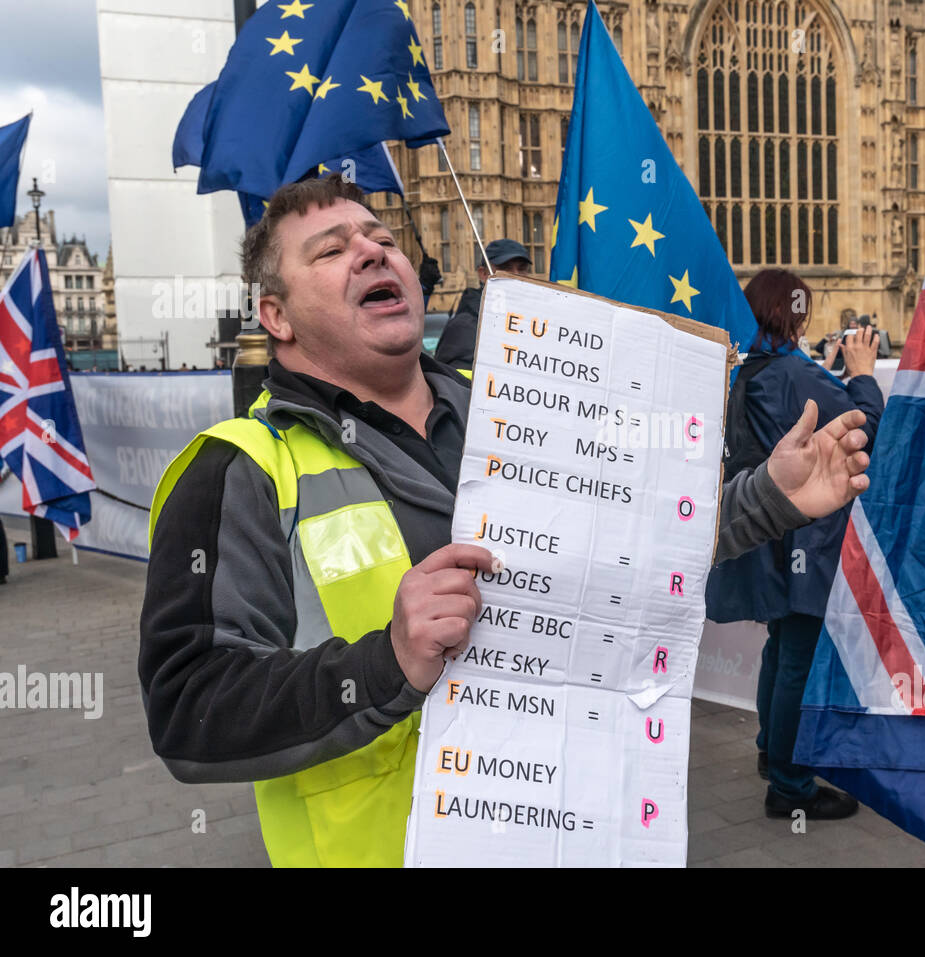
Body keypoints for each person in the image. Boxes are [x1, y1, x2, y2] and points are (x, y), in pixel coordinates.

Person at [139, 175, 875, 867]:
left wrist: (771, 493)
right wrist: (384, 662)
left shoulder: (515, 401)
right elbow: (188, 711)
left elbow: (630, 544)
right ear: (276, 315)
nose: (371, 249)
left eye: (381, 237)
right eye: (331, 251)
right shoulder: (240, 469)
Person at [707, 269, 884, 821]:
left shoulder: (747, 372)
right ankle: (789, 784)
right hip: (804, 539)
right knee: (798, 661)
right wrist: (862, 373)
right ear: (792, 315)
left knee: (781, 648)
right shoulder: (788, 371)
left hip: (770, 539)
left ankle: (770, 752)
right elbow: (866, 424)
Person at [432, 239, 532, 373]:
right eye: (506, 268)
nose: (516, 275)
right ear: (483, 274)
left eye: (522, 269)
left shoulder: (532, 323)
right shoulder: (464, 327)